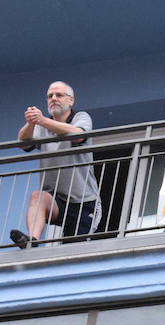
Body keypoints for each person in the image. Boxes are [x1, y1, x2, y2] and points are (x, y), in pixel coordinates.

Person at [9, 81, 101, 249]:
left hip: (84, 201)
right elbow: (23, 144)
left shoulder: (80, 117)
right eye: (50, 96)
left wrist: (42, 120)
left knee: (74, 251)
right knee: (38, 196)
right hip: (57, 198)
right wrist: (31, 123)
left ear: (71, 100)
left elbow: (78, 136)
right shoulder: (42, 125)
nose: (53, 99)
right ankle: (32, 241)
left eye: (59, 95)